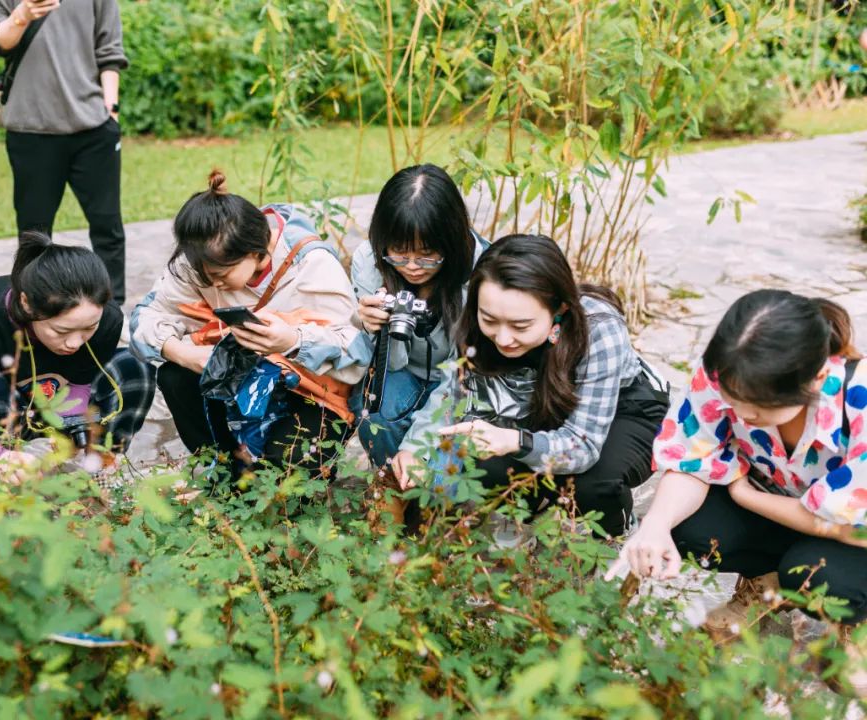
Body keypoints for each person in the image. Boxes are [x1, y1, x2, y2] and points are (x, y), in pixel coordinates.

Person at [608, 290, 865, 696]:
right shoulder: (726, 371)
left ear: (816, 379)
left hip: (852, 533)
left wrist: (747, 497)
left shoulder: (860, 402)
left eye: (760, 408)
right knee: (688, 527)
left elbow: (854, 529)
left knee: (820, 575)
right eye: (733, 400)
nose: (742, 416)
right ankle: (763, 583)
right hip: (786, 503)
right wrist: (655, 525)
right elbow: (691, 457)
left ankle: (852, 625)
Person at [393, 234, 669, 536]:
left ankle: (614, 534)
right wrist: (413, 450)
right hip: (538, 405)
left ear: (559, 309)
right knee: (483, 463)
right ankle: (537, 507)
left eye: (520, 326)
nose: (503, 338)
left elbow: (584, 446)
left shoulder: (599, 329)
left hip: (620, 410)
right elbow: (451, 396)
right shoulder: (476, 320)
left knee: (592, 483)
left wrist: (516, 441)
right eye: (489, 320)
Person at [129, 170, 366, 479]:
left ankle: (298, 464)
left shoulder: (312, 265)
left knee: (285, 484)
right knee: (176, 376)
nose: (212, 283)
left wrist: (293, 341)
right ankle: (223, 471)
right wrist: (184, 353)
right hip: (240, 378)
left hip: (309, 391)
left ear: (256, 252)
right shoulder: (201, 261)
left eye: (221, 276)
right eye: (204, 275)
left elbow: (356, 355)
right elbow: (145, 319)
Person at [0, 232, 153, 482]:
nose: (75, 343)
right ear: (26, 304)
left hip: (50, 407)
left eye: (88, 328)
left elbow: (81, 381)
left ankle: (100, 466)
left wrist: (68, 437)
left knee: (134, 368)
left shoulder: (106, 318)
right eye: (61, 331)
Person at [0, 0, 129, 304]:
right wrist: (22, 14)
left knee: (107, 226)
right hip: (30, 128)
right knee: (33, 233)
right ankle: (33, 307)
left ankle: (112, 311)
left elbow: (109, 51)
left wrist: (111, 111)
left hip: (92, 127)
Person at [349, 164, 488, 467]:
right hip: (402, 371)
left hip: (460, 380)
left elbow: (461, 377)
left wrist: (414, 447)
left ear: (452, 242)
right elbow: (368, 362)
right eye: (399, 252)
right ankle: (394, 480)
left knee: (442, 474)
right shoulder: (369, 261)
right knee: (374, 416)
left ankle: (421, 480)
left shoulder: (483, 274)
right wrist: (365, 324)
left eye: (427, 254)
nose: (412, 266)